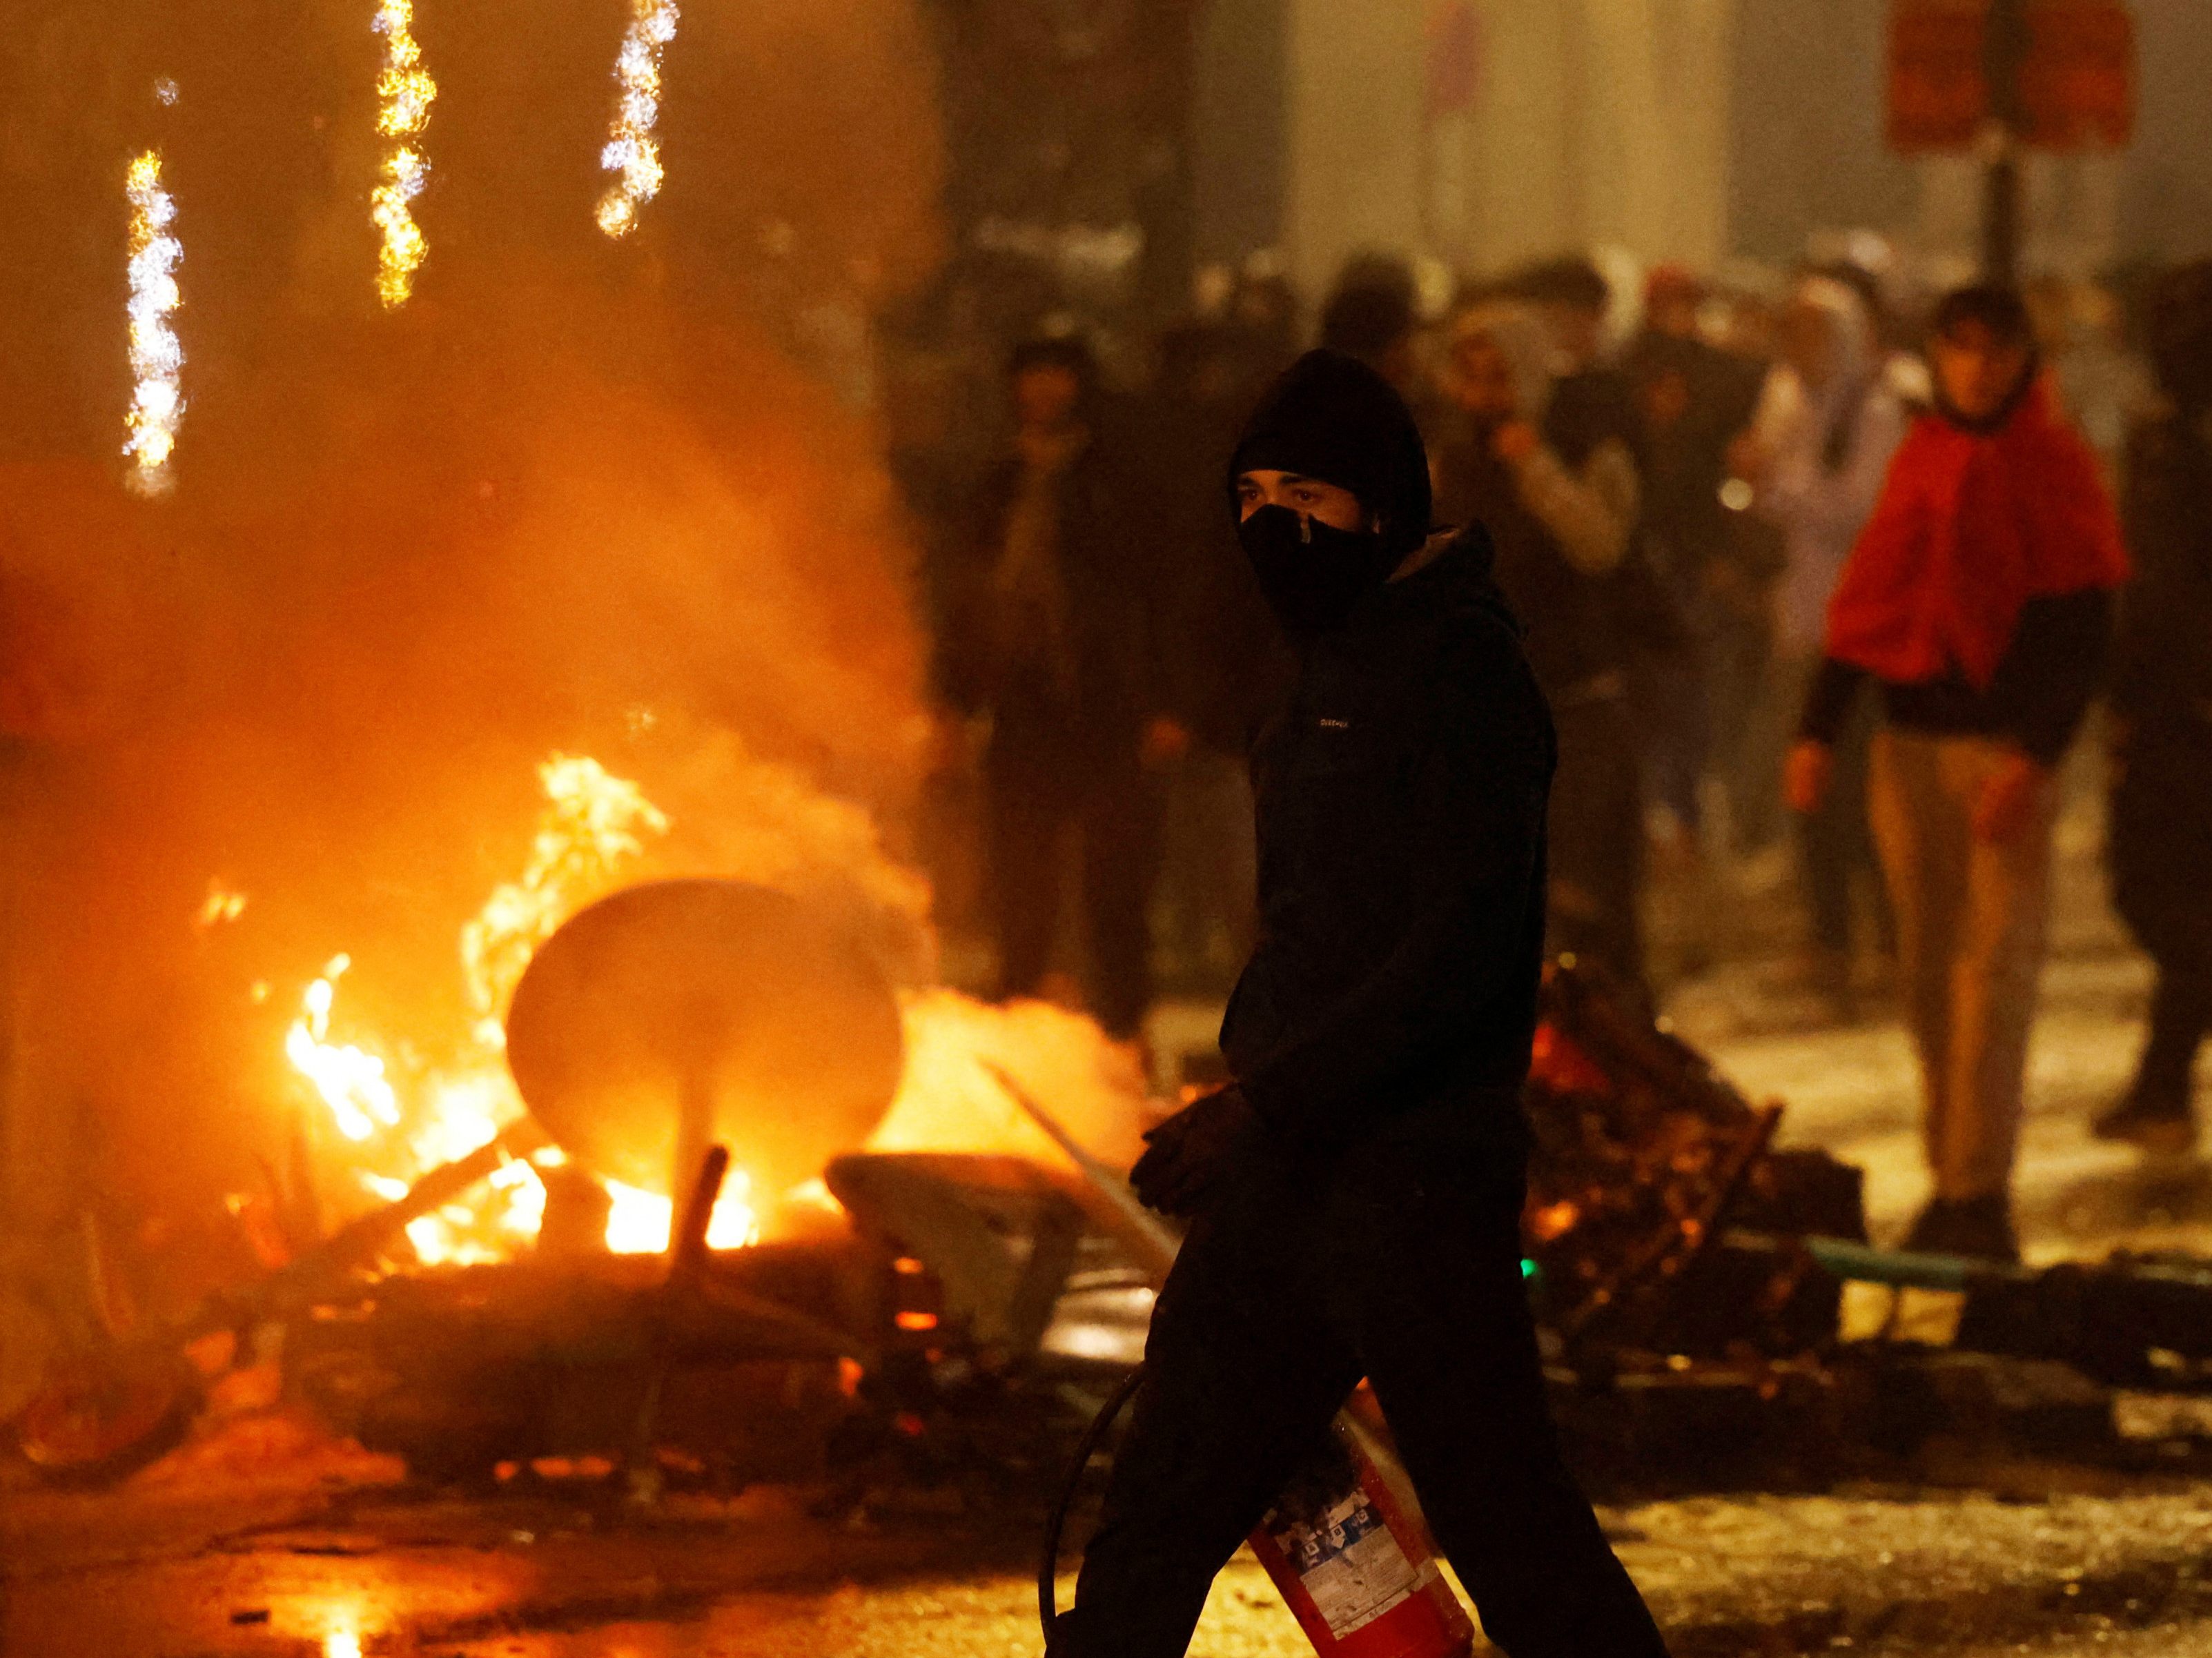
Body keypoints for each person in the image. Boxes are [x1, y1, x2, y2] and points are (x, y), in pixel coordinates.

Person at [1048, 347, 1672, 1658]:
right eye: (1256, 489)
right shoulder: (1327, 663)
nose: (1277, 521)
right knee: (1160, 1508)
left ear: (1383, 502)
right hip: (1287, 1183)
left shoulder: (1464, 676)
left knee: (1511, 1523)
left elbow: (1459, 952)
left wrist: (1266, 1097)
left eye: (1310, 492)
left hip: (1415, 1187)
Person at [1787, 286, 2128, 1261]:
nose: (1976, 367)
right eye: (1959, 347)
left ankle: (1980, 1189)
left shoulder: (2054, 463)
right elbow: (1871, 600)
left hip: (1999, 750)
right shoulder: (1923, 455)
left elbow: (2081, 625)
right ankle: (1950, 1176)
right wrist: (1817, 732)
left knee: (1995, 971)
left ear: (2024, 357)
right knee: (1927, 973)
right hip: (1906, 746)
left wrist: (2035, 752)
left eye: (1994, 349)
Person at [934, 335, 1184, 1043]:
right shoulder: (997, 482)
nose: (1042, 392)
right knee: (1021, 894)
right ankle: (1021, 1036)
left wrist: (1167, 702)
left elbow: (1159, 595)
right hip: (1023, 708)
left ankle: (1123, 1041)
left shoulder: (1119, 480)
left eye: (1057, 378)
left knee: (1116, 895)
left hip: (1108, 707)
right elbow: (963, 602)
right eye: (1031, 377)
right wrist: (953, 704)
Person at [1434, 302, 1648, 998]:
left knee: (1584, 911)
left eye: (1499, 377)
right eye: (1472, 379)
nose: (1485, 397)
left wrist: (1537, 469)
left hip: (1579, 704)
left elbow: (1599, 547)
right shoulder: (1455, 459)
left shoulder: (1588, 440)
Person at [1737, 276, 1910, 1013]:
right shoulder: (1785, 396)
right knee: (1808, 794)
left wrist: (1776, 485)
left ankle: (1891, 944)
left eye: (1813, 334)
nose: (1798, 350)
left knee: (1863, 796)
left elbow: (1860, 509)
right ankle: (1829, 940)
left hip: (1865, 634)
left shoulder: (1879, 405)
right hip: (1801, 626)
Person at [2097, 261, 2212, 1154]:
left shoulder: (2173, 446)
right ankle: (2161, 1081)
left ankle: (2162, 1082)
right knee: (2155, 893)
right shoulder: (2162, 437)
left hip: (2183, 707)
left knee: (2162, 891)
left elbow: (2161, 587)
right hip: (2170, 702)